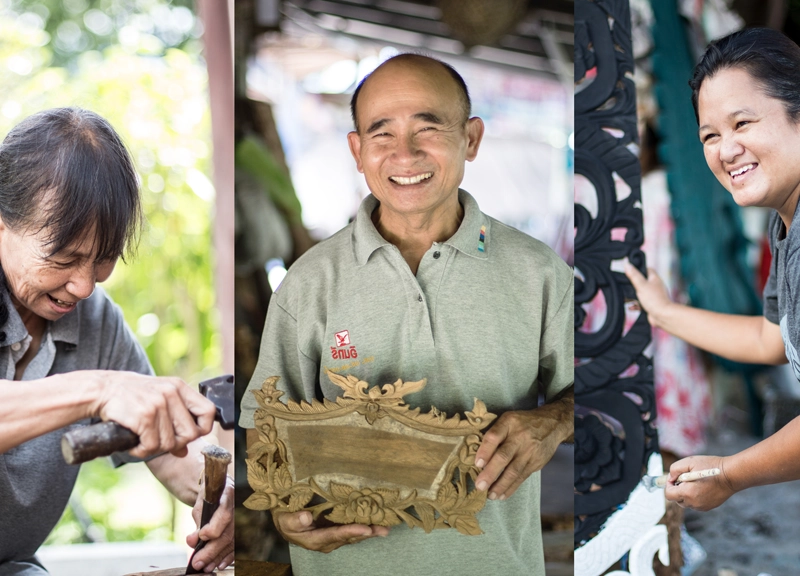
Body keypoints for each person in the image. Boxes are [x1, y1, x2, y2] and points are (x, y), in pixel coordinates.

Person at [239, 54, 574, 575]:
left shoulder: (540, 273)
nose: (405, 154)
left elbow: (599, 396)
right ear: (356, 150)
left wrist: (553, 421)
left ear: (472, 139)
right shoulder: (309, 282)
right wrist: (286, 509)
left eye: (428, 127)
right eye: (381, 134)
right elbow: (265, 424)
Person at [0, 108, 233, 575]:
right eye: (65, 257)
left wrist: (230, 498)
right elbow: (109, 390)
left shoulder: (95, 321)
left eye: (103, 259)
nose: (85, 286)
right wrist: (101, 389)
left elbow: (174, 453)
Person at [625, 27, 800, 511]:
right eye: (710, 135)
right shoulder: (785, 225)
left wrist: (729, 474)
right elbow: (771, 340)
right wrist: (663, 312)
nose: (725, 150)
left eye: (742, 124)